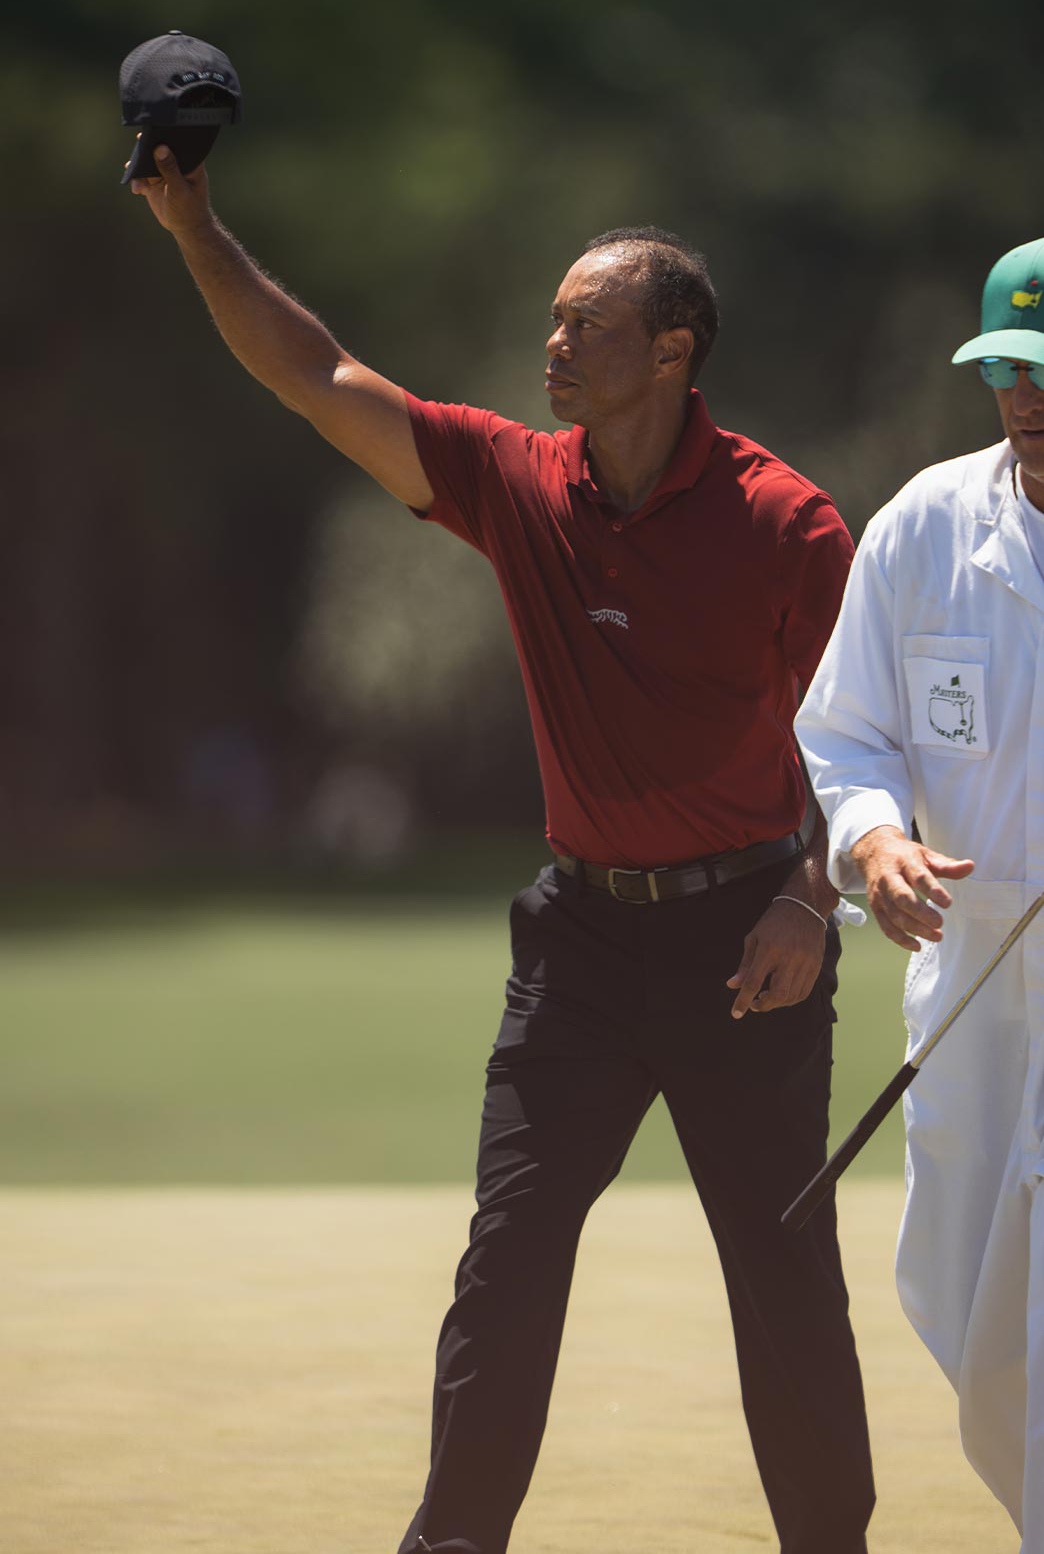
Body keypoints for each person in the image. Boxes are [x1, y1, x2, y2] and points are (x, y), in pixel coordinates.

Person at [132, 144, 875, 1554]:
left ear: (671, 348)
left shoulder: (786, 522)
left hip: (749, 954)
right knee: (509, 1259)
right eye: (551, 321)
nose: (553, 345)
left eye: (583, 325)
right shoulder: (519, 482)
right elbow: (319, 378)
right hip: (582, 949)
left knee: (781, 1274)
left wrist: (806, 896)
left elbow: (861, 736)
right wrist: (194, 223)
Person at [795, 237, 1044, 1547]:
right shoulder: (925, 526)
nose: (1029, 398)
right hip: (971, 982)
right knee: (962, 1304)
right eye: (1011, 367)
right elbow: (848, 735)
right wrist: (875, 842)